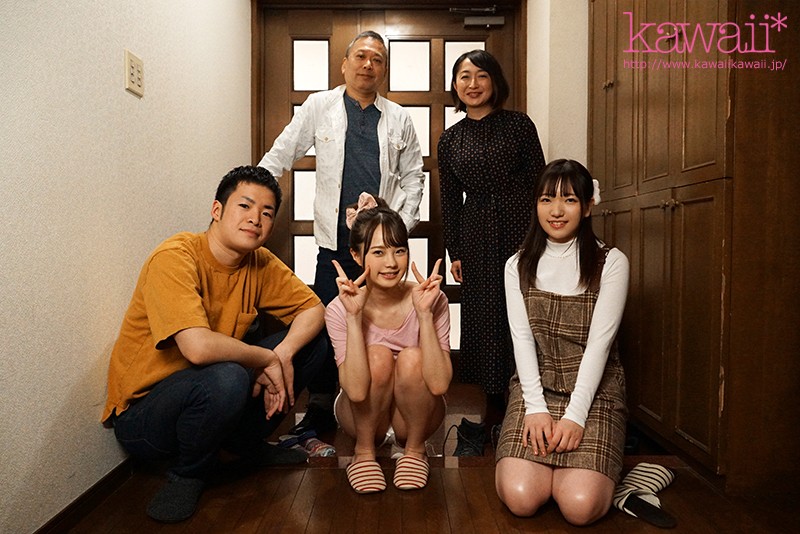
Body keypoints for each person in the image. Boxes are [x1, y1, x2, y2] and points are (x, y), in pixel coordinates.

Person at [102, 166, 327, 523]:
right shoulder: (175, 256)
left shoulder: (259, 262)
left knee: (314, 342)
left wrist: (282, 354)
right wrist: (265, 358)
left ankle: (242, 447)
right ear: (217, 210)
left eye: (267, 213)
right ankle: (188, 473)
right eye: (245, 206)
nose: (255, 219)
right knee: (228, 376)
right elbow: (198, 348)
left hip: (212, 397)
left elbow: (313, 309)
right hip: (146, 417)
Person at [259, 30, 425, 436]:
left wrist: (397, 228)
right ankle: (320, 408)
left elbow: (413, 178)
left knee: (380, 325)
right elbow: (283, 152)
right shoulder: (320, 105)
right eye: (361, 56)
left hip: (380, 248)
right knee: (325, 325)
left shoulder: (399, 118)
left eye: (378, 59)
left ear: (384, 70)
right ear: (345, 64)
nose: (369, 64)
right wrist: (250, 192)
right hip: (334, 245)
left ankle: (384, 408)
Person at [494, 159, 629, 526]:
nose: (556, 211)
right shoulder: (516, 264)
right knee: (521, 498)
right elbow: (522, 339)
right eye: (546, 199)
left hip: (594, 393)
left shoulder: (611, 262)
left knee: (580, 507)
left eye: (569, 200)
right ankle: (553, 472)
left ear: (587, 206)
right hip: (536, 389)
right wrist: (536, 408)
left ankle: (606, 476)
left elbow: (600, 346)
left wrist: (575, 417)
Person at [437, 49, 545, 427]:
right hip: (476, 231)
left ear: (495, 81)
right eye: (464, 77)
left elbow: (540, 183)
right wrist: (455, 251)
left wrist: (544, 239)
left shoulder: (519, 125)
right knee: (485, 315)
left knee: (523, 310)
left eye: (481, 75)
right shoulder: (450, 140)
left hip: (520, 225)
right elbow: (450, 200)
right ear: (455, 85)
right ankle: (494, 409)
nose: (473, 84)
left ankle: (529, 400)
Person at [324, 193, 451, 493]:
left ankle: (415, 451)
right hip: (362, 414)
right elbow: (355, 390)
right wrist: (354, 317)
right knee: (378, 356)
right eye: (378, 252)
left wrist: (423, 314)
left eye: (399, 250)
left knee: (412, 358)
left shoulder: (431, 299)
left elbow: (439, 384)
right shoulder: (339, 308)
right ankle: (364, 453)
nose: (391, 263)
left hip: (417, 413)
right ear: (357, 256)